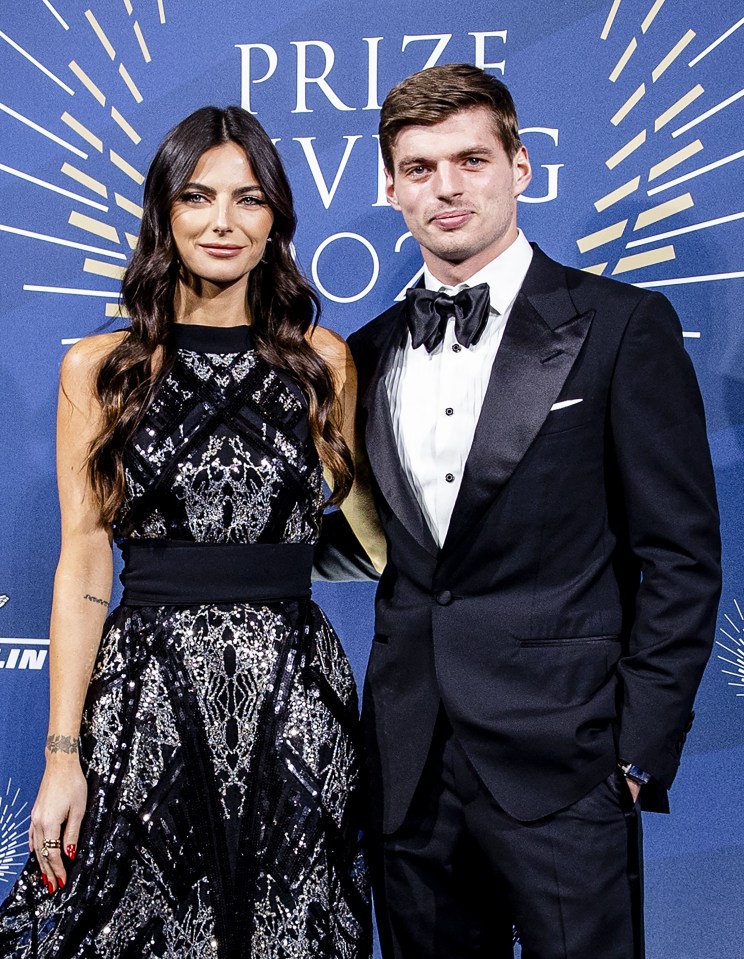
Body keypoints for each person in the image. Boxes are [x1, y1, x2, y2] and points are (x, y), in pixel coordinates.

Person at [321, 64, 722, 958]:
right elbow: (376, 542)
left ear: (521, 167)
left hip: (567, 763)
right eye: (419, 168)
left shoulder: (622, 326)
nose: (447, 187)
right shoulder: (365, 352)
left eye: (470, 159)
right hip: (410, 766)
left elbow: (683, 556)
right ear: (389, 187)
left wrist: (633, 755)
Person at [0, 105, 384, 958]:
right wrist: (63, 755)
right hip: (147, 698)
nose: (223, 222)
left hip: (298, 699)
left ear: (276, 218)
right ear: (164, 213)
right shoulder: (98, 368)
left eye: (248, 200)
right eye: (198, 197)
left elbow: (366, 533)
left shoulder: (325, 361)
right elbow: (85, 559)